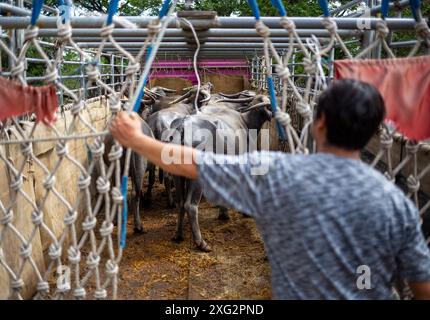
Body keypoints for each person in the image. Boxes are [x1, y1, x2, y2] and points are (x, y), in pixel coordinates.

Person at [109, 79, 430, 300]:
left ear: (318, 123)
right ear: (376, 132)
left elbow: (190, 162)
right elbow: (422, 285)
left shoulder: (275, 173)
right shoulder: (396, 202)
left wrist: (137, 140)